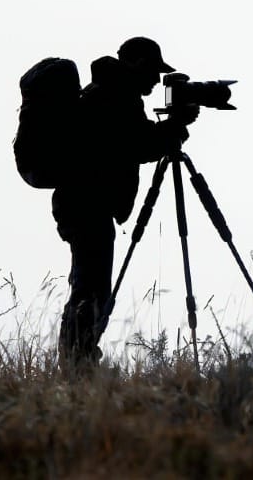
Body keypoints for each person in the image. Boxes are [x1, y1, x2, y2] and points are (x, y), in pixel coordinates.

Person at [52, 36, 197, 374]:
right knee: (91, 289)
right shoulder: (112, 95)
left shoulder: (112, 93)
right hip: (87, 205)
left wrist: (168, 132)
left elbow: (131, 139)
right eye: (152, 71)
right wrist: (173, 131)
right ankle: (77, 363)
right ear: (136, 63)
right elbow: (135, 144)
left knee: (90, 285)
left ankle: (78, 360)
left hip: (85, 204)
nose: (155, 80)